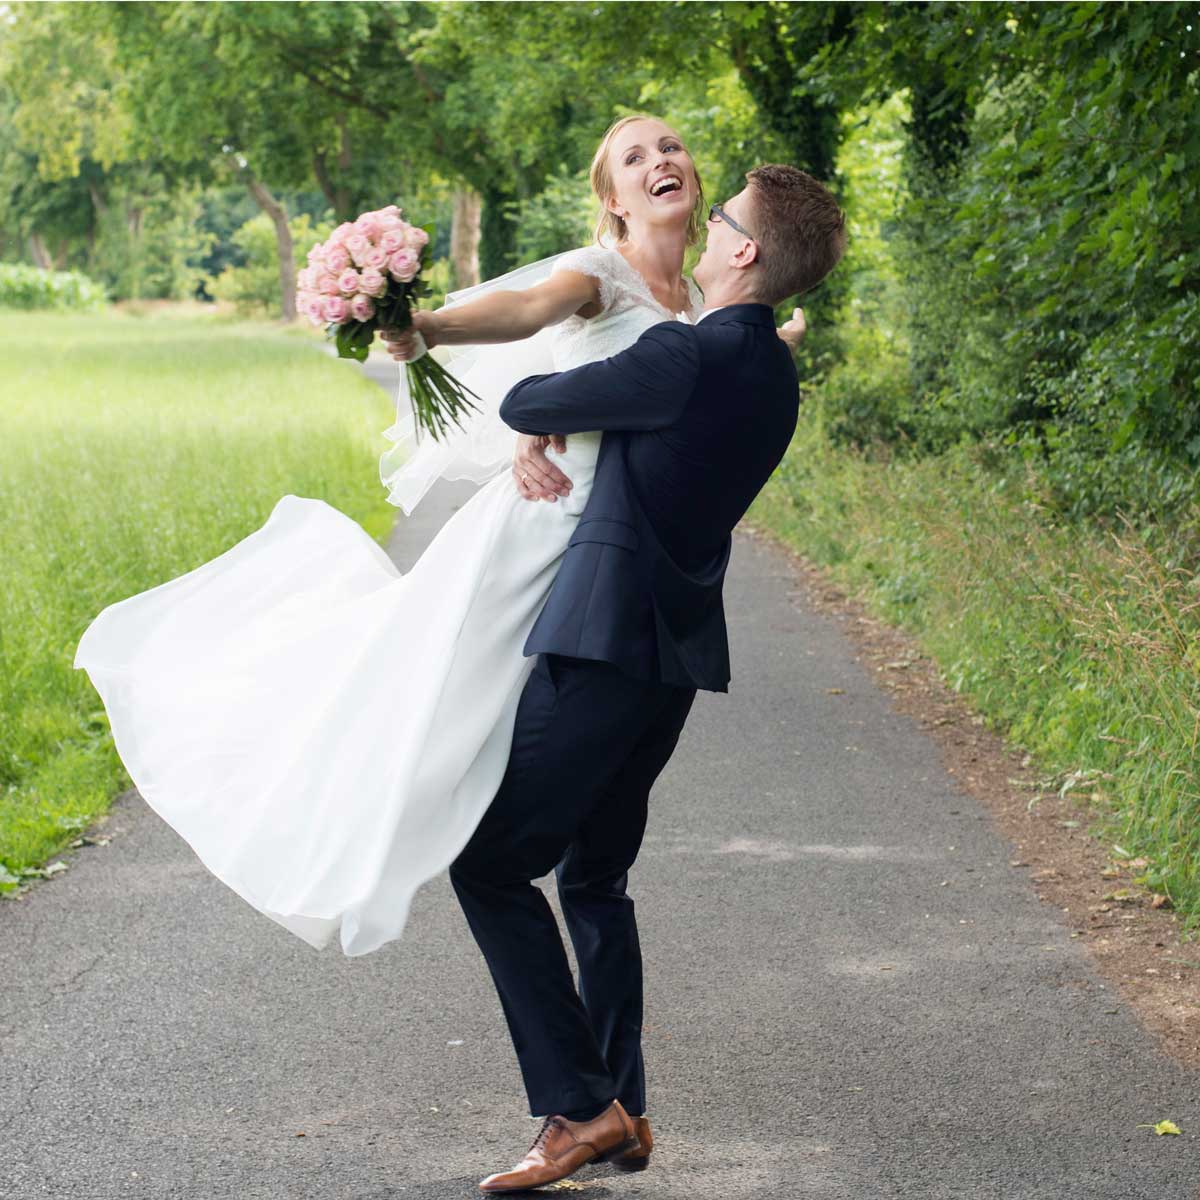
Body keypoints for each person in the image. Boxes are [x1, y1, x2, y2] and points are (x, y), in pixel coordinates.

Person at [71, 115, 804, 959]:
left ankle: (550, 927)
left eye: (670, 148)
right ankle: (370, 832)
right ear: (613, 199)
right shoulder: (599, 274)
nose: (659, 161)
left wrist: (776, 342)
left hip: (618, 555)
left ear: (699, 183)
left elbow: (709, 376)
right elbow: (526, 309)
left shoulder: (711, 303)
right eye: (633, 158)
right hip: (549, 523)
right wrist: (429, 326)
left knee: (556, 778)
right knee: (431, 702)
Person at [410, 162, 847, 1194]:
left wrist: (548, 417)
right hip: (675, 657)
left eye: (726, 217)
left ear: (741, 250)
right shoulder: (773, 375)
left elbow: (528, 391)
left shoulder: (677, 356)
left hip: (603, 645)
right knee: (594, 876)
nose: (710, 226)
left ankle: (578, 1107)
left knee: (487, 863)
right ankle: (628, 1113)